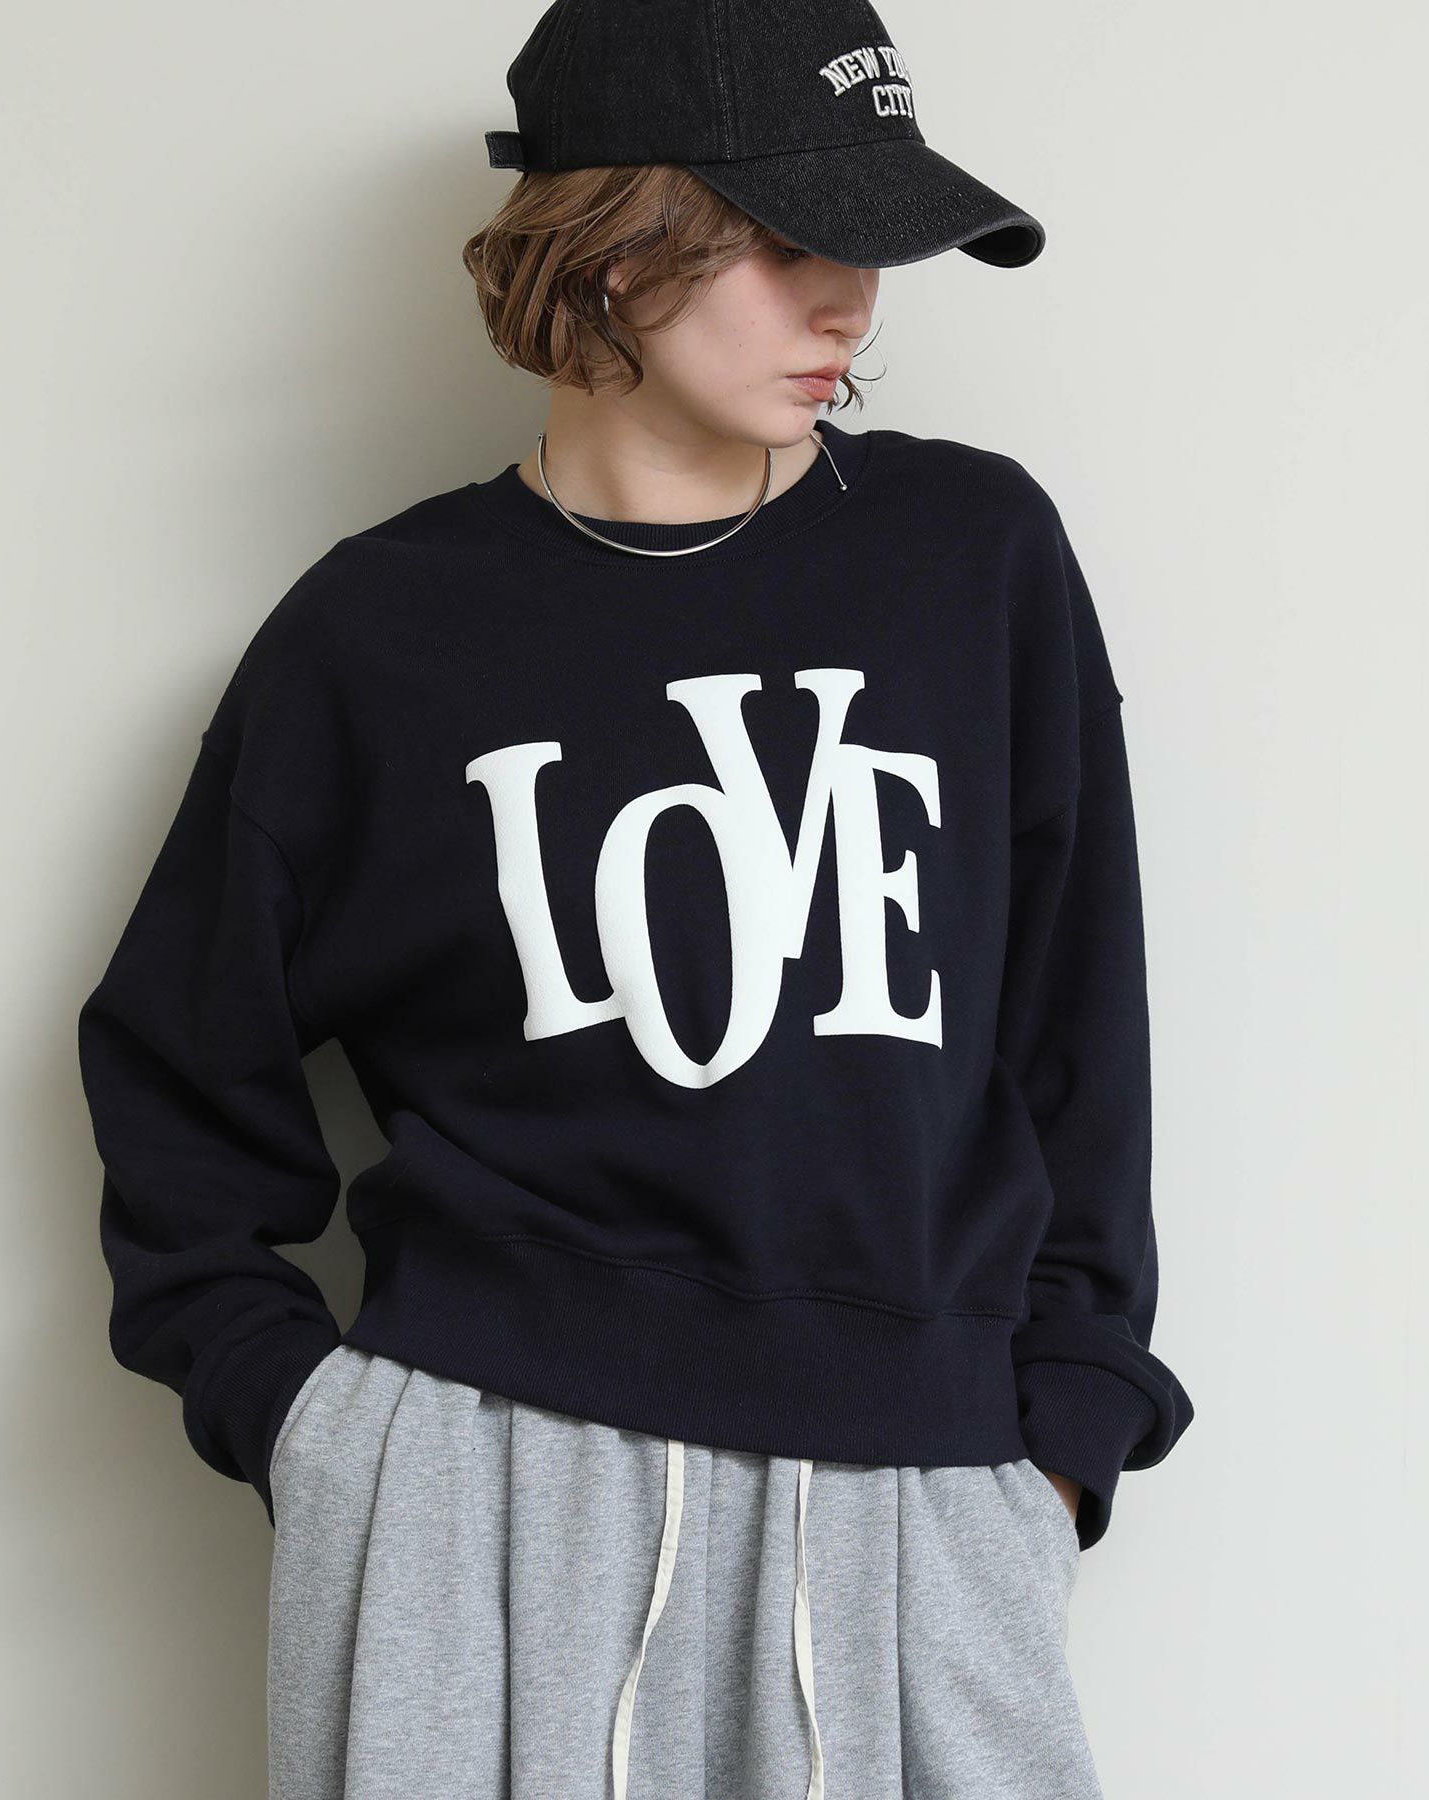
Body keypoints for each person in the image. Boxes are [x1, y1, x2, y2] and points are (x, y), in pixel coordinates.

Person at [75, 2, 1195, 1795]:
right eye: (792, 242)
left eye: (871, 249)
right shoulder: (380, 635)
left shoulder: (970, 561)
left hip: (917, 1493)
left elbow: (1079, 1029)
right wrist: (316, 1432)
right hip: (480, 1508)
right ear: (613, 244)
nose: (851, 305)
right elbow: (176, 1071)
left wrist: (1061, 1441)